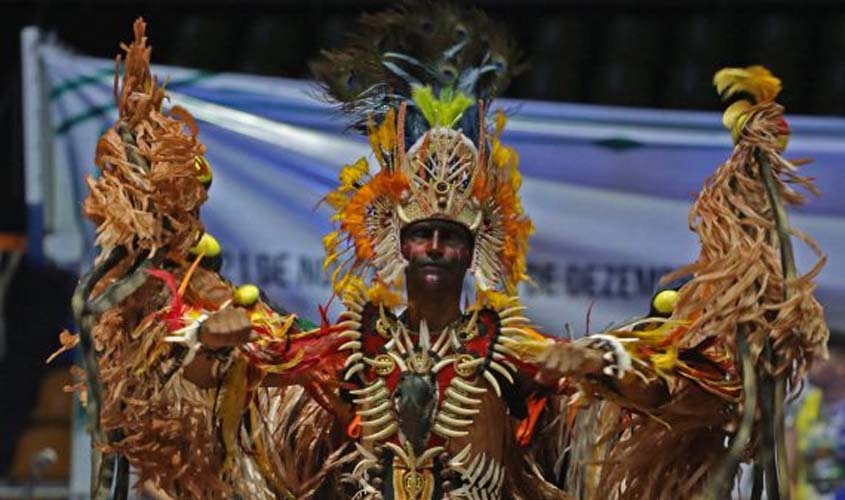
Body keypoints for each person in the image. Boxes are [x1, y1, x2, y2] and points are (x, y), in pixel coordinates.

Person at [69, 6, 828, 500]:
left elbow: (673, 384)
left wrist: (603, 364)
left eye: (450, 236)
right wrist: (208, 340)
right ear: (395, 242)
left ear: (475, 248)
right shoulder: (351, 347)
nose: (434, 245)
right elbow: (216, 366)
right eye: (422, 234)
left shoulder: (511, 349)